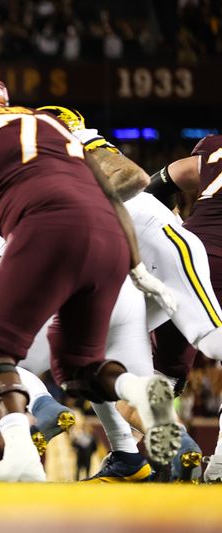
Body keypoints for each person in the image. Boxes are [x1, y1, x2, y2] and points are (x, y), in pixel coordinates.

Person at [0, 67, 180, 481]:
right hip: (110, 236)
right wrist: (134, 266)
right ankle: (140, 391)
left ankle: (21, 459)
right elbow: (109, 196)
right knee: (79, 370)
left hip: (49, 229)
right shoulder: (48, 122)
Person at [147, 133, 222, 482]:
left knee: (161, 376)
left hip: (186, 258)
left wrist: (175, 223)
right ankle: (217, 468)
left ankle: (166, 460)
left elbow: (155, 186)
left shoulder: (213, 149)